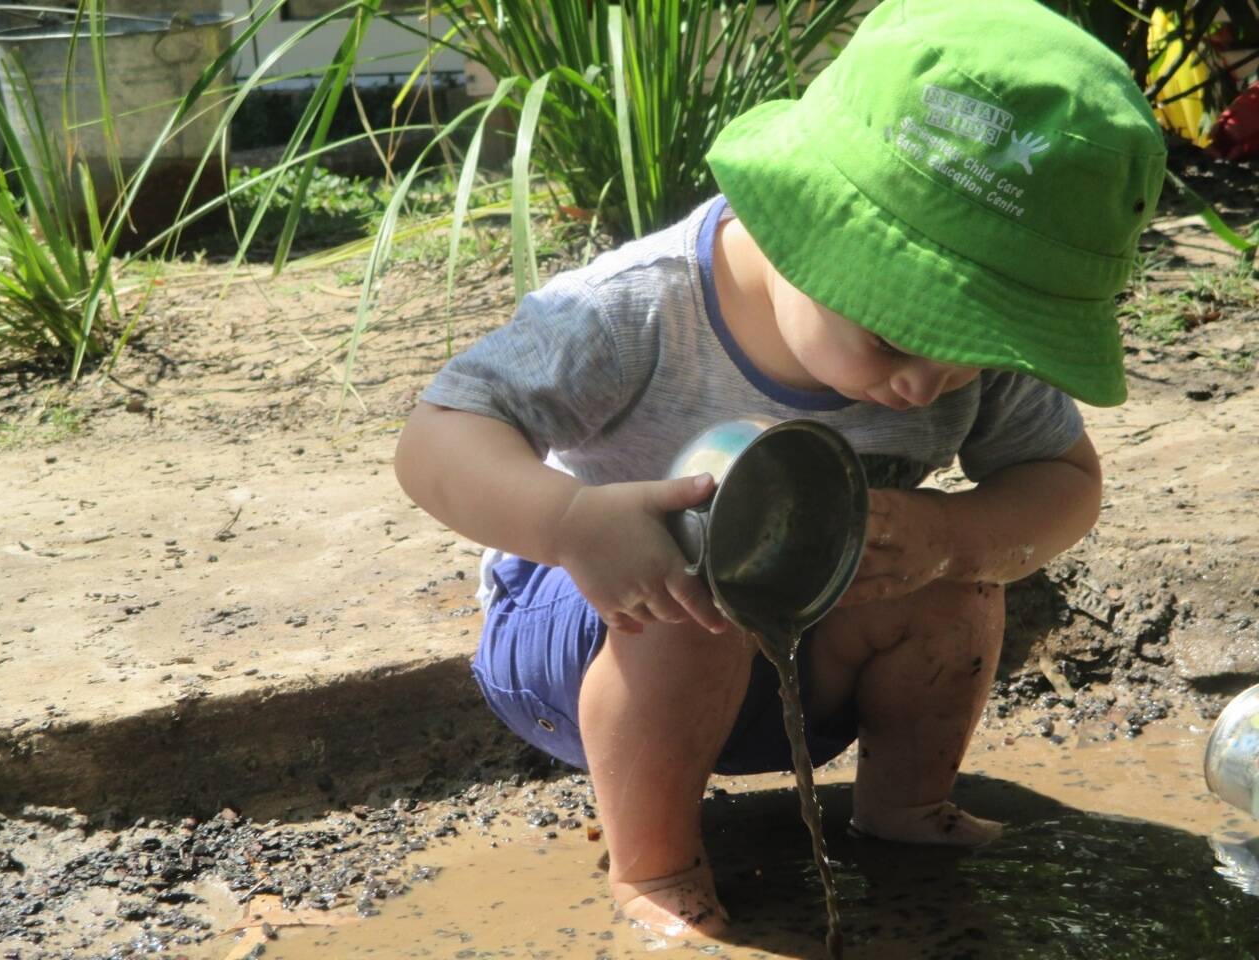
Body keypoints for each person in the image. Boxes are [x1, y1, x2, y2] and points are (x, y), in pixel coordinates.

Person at [394, 0, 1167, 941]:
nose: (929, 383)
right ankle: (655, 868)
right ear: (801, 218)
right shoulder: (636, 313)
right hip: (587, 640)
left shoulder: (958, 365)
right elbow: (435, 439)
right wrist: (568, 524)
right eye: (894, 334)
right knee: (695, 591)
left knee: (960, 580)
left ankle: (905, 807)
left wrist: (955, 537)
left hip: (803, 661)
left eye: (971, 352)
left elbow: (1065, 480)